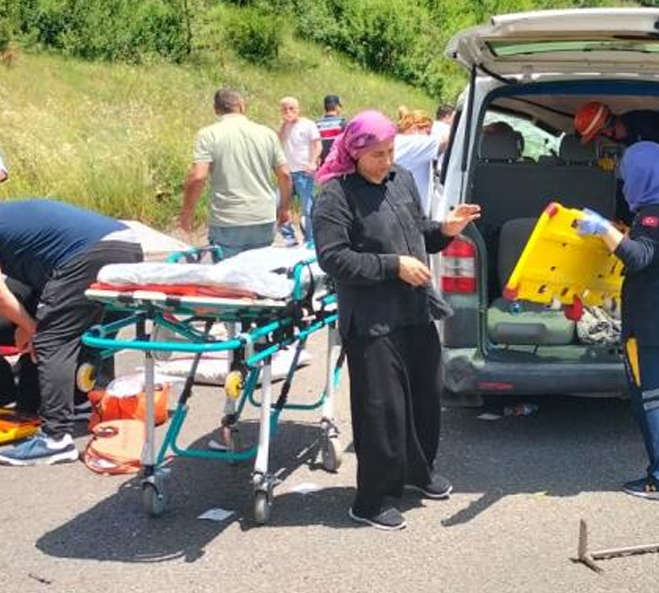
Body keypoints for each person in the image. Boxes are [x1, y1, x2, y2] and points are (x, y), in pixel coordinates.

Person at [311, 111, 482, 531]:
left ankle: (417, 474)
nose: (385, 161)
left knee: (425, 399)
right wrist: (393, 266)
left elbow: (417, 230)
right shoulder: (335, 194)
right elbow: (333, 258)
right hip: (371, 321)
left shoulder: (401, 178)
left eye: (390, 152)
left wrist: (447, 228)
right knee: (381, 411)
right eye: (376, 155)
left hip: (415, 309)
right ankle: (370, 500)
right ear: (354, 152)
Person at [0, 193, 144, 466]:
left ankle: (54, 439)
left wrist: (30, 327)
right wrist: (27, 321)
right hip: (128, 245)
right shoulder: (16, 217)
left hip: (89, 255)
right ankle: (89, 407)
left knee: (52, 340)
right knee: (92, 333)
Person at [574, 141, 659, 502]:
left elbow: (640, 256)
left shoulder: (653, 213)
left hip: (654, 313)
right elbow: (656, 247)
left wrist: (602, 229)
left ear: (640, 175)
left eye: (627, 172)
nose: (623, 178)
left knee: (650, 395)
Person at [180, 88, 292, 258]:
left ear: (216, 109)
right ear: (242, 106)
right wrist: (284, 209)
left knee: (230, 281)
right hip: (263, 217)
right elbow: (285, 175)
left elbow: (198, 177)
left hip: (228, 219)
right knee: (259, 277)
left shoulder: (208, 134)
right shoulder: (267, 133)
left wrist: (186, 216)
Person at [572, 102, 659, 182]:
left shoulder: (648, 127)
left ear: (606, 131)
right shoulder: (625, 135)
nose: (597, 143)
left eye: (595, 137)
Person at [277, 96, 322, 247]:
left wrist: (313, 162)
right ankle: (289, 236)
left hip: (304, 172)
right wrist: (284, 124)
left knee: (308, 208)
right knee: (279, 206)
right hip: (287, 174)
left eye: (291, 108)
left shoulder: (308, 124)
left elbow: (318, 146)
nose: (288, 112)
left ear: (298, 109)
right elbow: (278, 142)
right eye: (284, 109)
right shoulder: (284, 126)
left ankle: (311, 240)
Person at [393, 106, 448, 215]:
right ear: (414, 128)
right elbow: (444, 142)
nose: (428, 137)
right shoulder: (413, 143)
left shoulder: (400, 141)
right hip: (407, 214)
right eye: (427, 132)